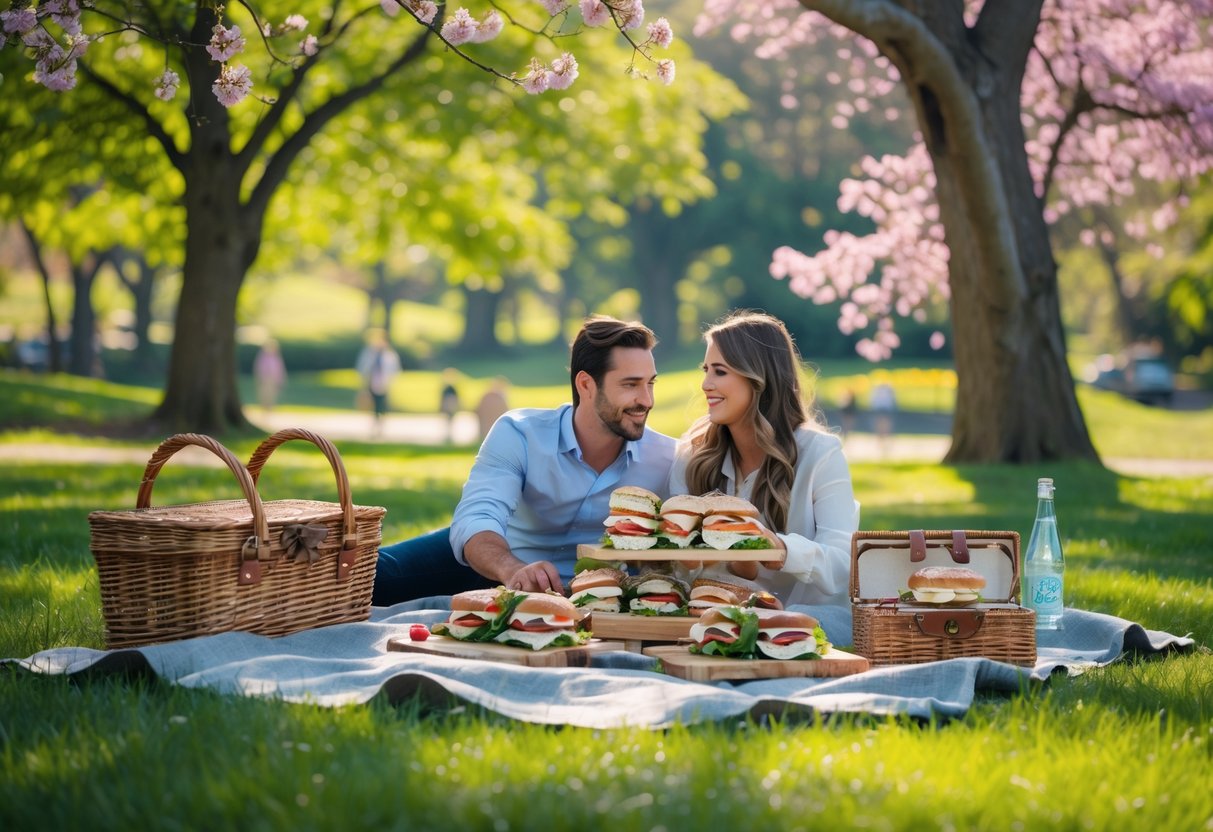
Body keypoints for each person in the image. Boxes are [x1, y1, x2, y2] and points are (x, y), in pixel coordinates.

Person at [372, 316, 677, 605]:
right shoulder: (520, 433)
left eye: (650, 383)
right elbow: (477, 517)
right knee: (369, 577)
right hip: (496, 564)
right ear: (585, 384)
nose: (646, 400)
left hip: (602, 589)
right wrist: (511, 568)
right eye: (630, 385)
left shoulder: (668, 459)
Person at [668, 310, 859, 607]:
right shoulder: (693, 454)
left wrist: (779, 548)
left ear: (759, 378)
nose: (705, 384)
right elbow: (676, 573)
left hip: (804, 627)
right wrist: (693, 560)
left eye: (719, 371)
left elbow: (843, 564)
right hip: (712, 621)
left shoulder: (820, 454)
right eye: (705, 370)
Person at [355, 329, 401, 438]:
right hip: (372, 384)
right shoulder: (370, 354)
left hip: (383, 385)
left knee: (382, 406)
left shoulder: (389, 356)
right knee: (374, 406)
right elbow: (362, 368)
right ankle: (375, 424)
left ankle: (380, 425)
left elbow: (394, 370)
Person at [252, 339, 287, 411]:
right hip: (264, 379)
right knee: (264, 395)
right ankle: (264, 408)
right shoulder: (263, 357)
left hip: (273, 379)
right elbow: (259, 368)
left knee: (272, 395)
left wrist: (281, 379)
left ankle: (269, 409)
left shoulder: (276, 358)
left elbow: (280, 370)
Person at [475, 376, 510, 440]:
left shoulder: (485, 396)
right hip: (496, 430)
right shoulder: (500, 398)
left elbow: (477, 411)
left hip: (485, 430)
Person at [439, 368, 461, 443]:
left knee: (450, 421)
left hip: (450, 407)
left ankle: (449, 435)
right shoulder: (448, 389)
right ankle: (448, 435)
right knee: (448, 421)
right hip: (449, 407)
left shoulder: (451, 389)